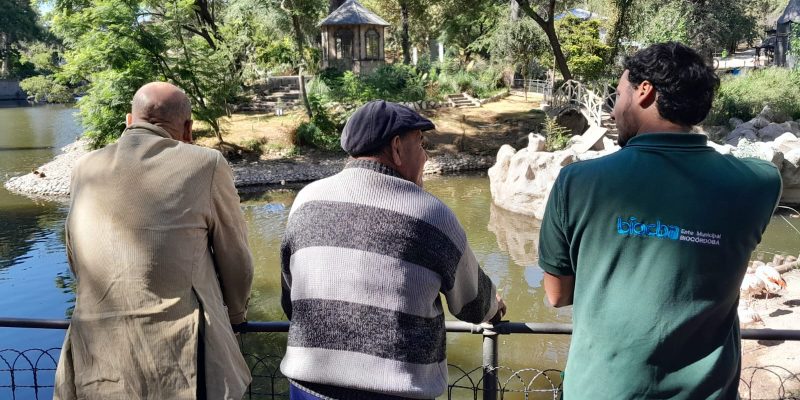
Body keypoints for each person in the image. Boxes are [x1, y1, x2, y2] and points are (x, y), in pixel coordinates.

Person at [537, 42, 782, 399]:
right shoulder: (760, 183)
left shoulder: (576, 182)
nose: (616, 107)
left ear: (644, 91)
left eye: (618, 94)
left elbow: (557, 294)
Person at [280, 100, 507, 400]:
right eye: (422, 145)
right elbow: (473, 304)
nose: (426, 157)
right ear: (397, 148)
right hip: (393, 392)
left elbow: (291, 299)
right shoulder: (431, 214)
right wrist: (496, 306)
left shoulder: (306, 200)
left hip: (306, 388)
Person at [54, 82, 254, 399]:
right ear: (188, 129)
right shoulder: (206, 163)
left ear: (129, 121)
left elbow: (74, 255)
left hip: (97, 357)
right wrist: (236, 317)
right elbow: (236, 260)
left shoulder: (84, 168)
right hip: (178, 359)